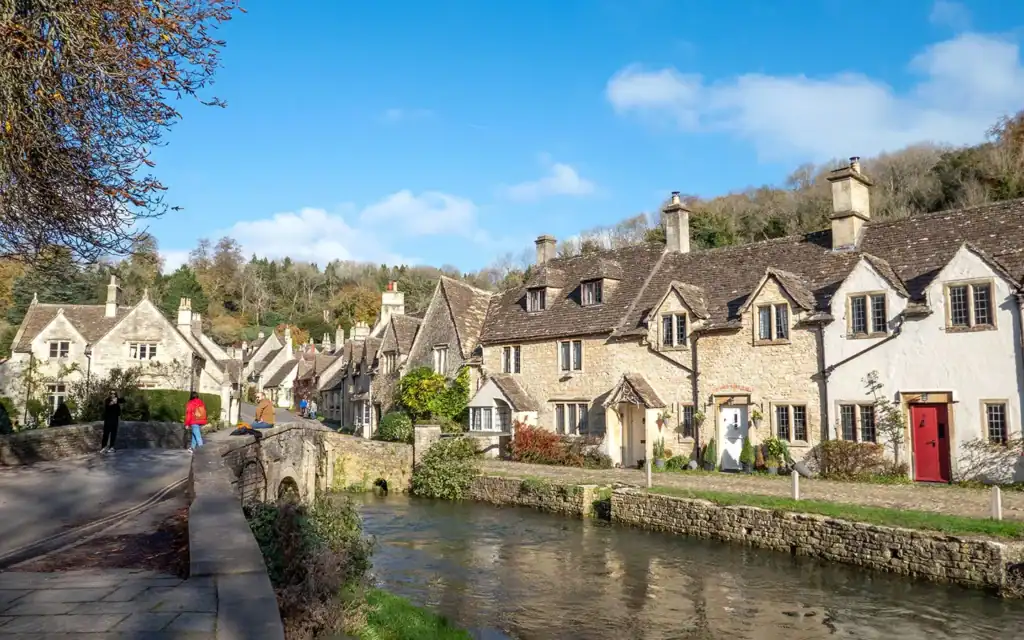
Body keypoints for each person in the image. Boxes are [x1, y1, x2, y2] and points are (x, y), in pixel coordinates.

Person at [100, 389, 121, 453]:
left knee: (113, 434)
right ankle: (103, 447)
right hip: (108, 420)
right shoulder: (107, 400)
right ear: (110, 394)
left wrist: (116, 404)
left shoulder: (117, 402)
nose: (113, 395)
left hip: (115, 420)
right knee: (106, 434)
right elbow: (107, 408)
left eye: (114, 394)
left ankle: (111, 447)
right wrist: (112, 403)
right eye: (111, 393)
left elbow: (119, 412)